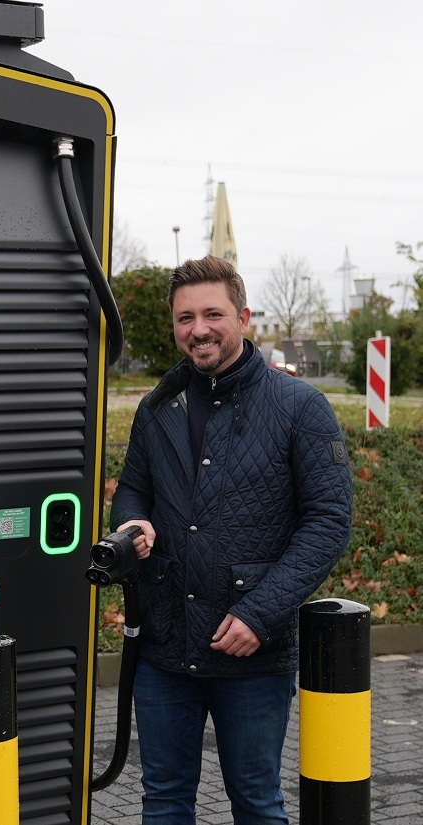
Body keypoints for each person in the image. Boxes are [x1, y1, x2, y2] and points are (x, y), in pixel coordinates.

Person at [110, 256, 353, 824]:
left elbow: (328, 521)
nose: (198, 329)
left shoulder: (300, 408)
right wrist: (133, 525)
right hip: (165, 646)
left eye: (213, 314)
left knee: (256, 801)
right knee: (164, 799)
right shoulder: (157, 408)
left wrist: (260, 614)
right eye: (185, 318)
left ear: (243, 317)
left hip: (250, 650)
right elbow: (132, 491)